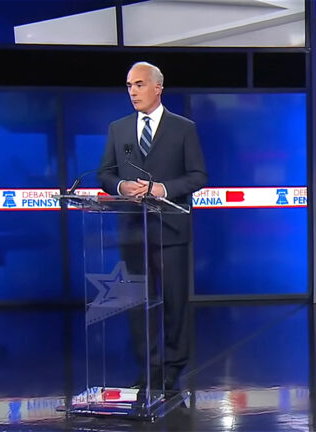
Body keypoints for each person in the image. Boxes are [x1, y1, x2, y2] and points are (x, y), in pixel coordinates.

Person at [98, 61, 207, 391]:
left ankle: (174, 365)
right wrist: (120, 187)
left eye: (140, 84)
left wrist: (162, 189)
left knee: (175, 303)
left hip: (171, 229)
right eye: (129, 85)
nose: (133, 91)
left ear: (158, 87)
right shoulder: (118, 129)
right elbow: (105, 173)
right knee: (137, 304)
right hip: (134, 231)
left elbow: (198, 176)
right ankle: (150, 364)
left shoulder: (183, 127)